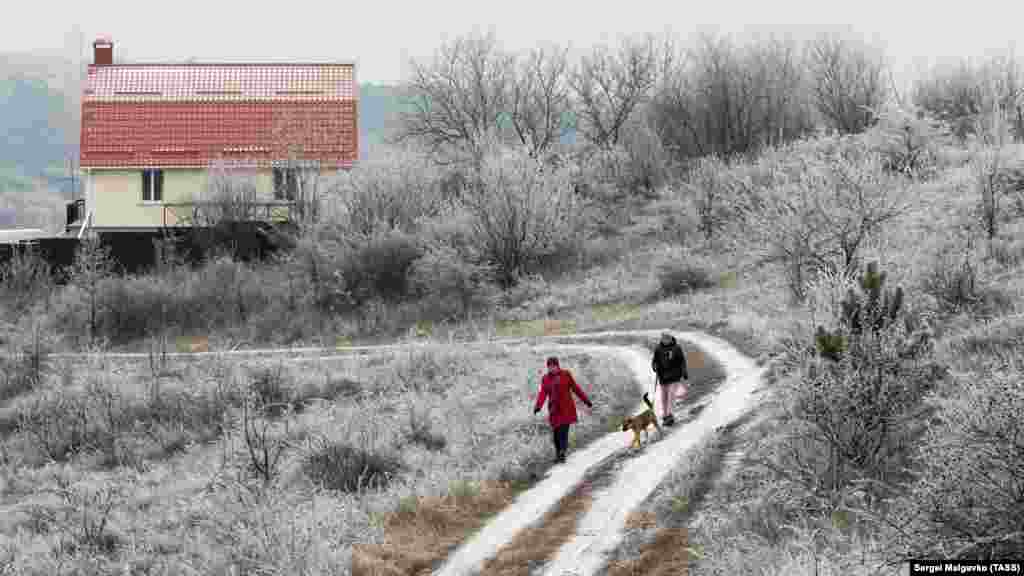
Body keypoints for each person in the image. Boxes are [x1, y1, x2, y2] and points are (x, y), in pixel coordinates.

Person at [533, 356, 593, 463]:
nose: (552, 368)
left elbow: (575, 388)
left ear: (557, 365)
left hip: (566, 409)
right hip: (554, 410)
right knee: (556, 435)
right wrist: (538, 406)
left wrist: (586, 401)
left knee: (563, 432)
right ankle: (558, 454)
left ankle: (562, 452)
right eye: (549, 366)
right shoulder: (545, 378)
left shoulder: (566, 374)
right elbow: (542, 393)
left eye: (553, 366)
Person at [651, 332, 688, 427]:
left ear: (671, 338)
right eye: (663, 338)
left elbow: (682, 361)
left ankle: (669, 415)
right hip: (663, 377)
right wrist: (654, 366)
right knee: (664, 396)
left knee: (671, 395)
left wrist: (684, 372)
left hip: (674, 376)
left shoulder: (677, 348)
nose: (665, 340)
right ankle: (665, 414)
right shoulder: (658, 348)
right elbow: (654, 360)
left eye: (667, 338)